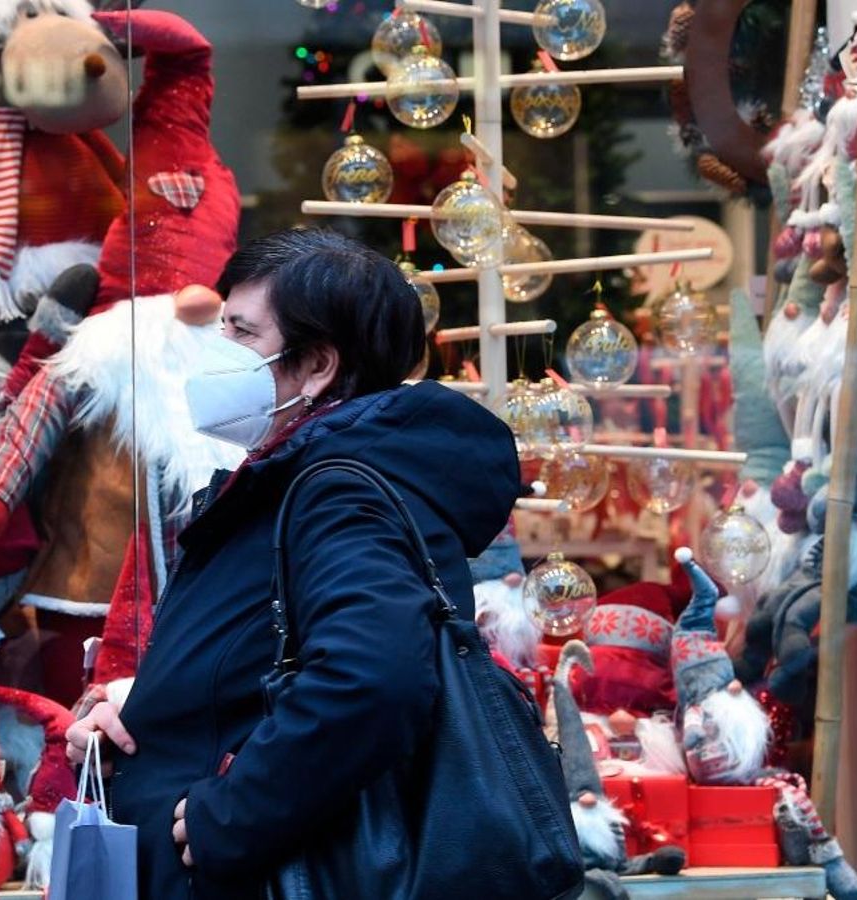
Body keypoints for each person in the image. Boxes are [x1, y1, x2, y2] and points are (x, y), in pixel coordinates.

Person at [65, 228, 523, 898]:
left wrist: (235, 814)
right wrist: (144, 708)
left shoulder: (338, 491)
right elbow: (264, 666)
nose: (214, 353)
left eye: (241, 333)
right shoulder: (288, 480)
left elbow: (373, 680)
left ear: (317, 367)